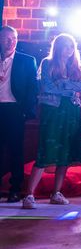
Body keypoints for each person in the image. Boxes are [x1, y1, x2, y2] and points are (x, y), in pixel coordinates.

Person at [22, 34, 81, 209]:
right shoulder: (47, 63)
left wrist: (63, 84)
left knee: (65, 153)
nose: (69, 50)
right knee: (45, 151)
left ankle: (56, 193)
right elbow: (46, 86)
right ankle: (29, 195)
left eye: (71, 46)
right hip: (53, 110)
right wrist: (69, 88)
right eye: (65, 46)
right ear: (57, 47)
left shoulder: (76, 66)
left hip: (71, 110)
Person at [0, 26, 37, 203]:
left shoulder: (27, 61)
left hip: (15, 109)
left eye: (13, 38)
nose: (10, 41)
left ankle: (15, 189)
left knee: (16, 151)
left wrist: (25, 111)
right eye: (6, 38)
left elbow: (32, 89)